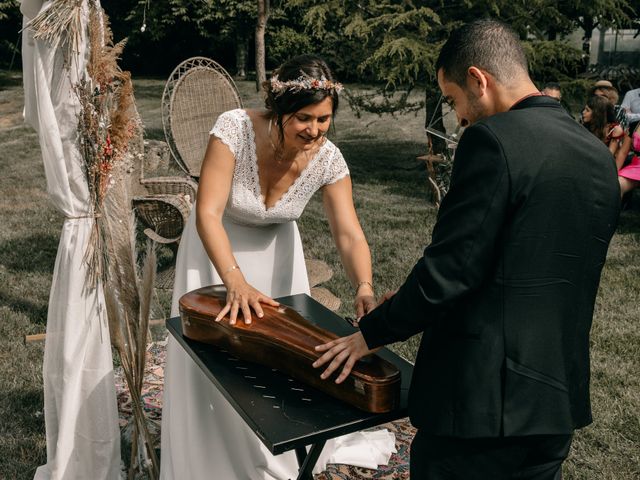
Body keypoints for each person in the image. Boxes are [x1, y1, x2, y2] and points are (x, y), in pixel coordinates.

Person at [313, 19, 620, 479]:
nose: (458, 116)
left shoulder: (493, 141)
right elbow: (533, 266)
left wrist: (370, 332)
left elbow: (450, 270)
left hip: (479, 407)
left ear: (479, 79)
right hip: (555, 404)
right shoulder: (597, 155)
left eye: (454, 100)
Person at [159, 54, 395, 480]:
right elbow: (208, 213)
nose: (315, 130)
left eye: (324, 119)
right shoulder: (234, 128)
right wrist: (235, 282)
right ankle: (208, 454)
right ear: (278, 110)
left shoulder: (328, 158)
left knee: (276, 357)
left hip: (277, 257)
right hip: (217, 252)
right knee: (213, 356)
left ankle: (276, 448)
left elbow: (349, 234)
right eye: (304, 117)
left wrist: (364, 286)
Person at [581, 94, 627, 166]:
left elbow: (609, 155)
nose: (583, 112)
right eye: (584, 109)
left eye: (587, 110)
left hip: (606, 163)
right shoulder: (587, 125)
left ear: (598, 113)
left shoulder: (614, 129)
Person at [618, 121, 640, 196]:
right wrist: (613, 173)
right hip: (636, 167)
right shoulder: (634, 125)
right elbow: (623, 152)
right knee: (617, 185)